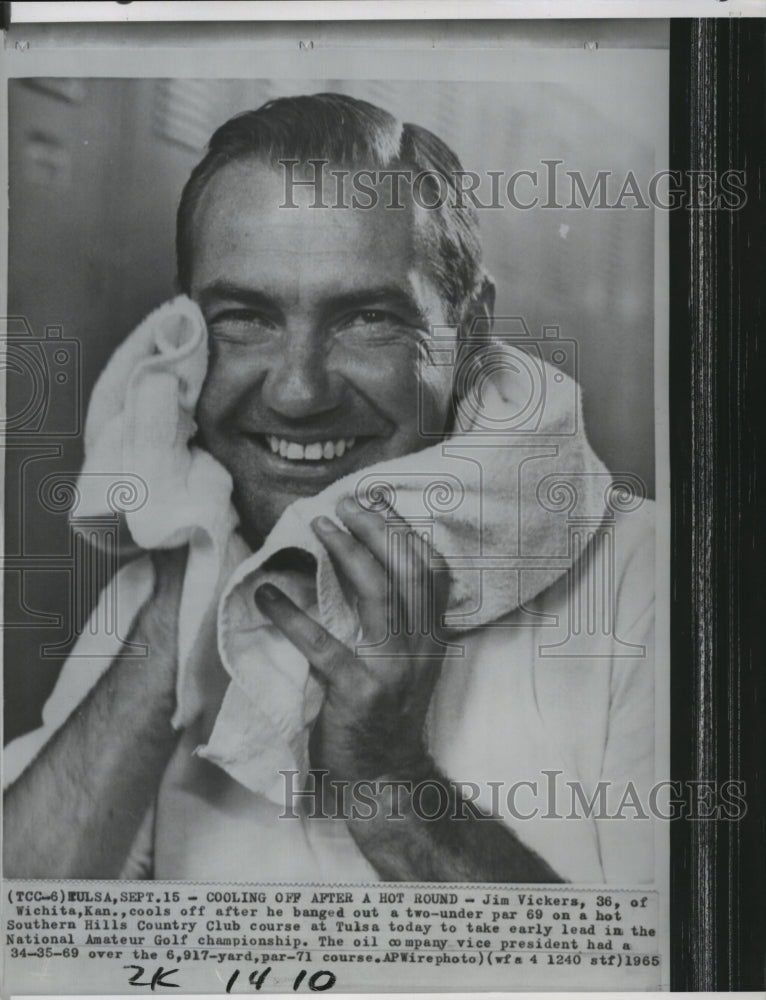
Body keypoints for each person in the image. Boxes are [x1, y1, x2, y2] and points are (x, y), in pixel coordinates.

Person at [3, 93, 655, 883]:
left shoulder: (650, 587)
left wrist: (389, 783)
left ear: (471, 329)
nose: (298, 392)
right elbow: (21, 937)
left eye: (366, 319)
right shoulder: (175, 574)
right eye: (246, 317)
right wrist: (180, 606)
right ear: (180, 338)